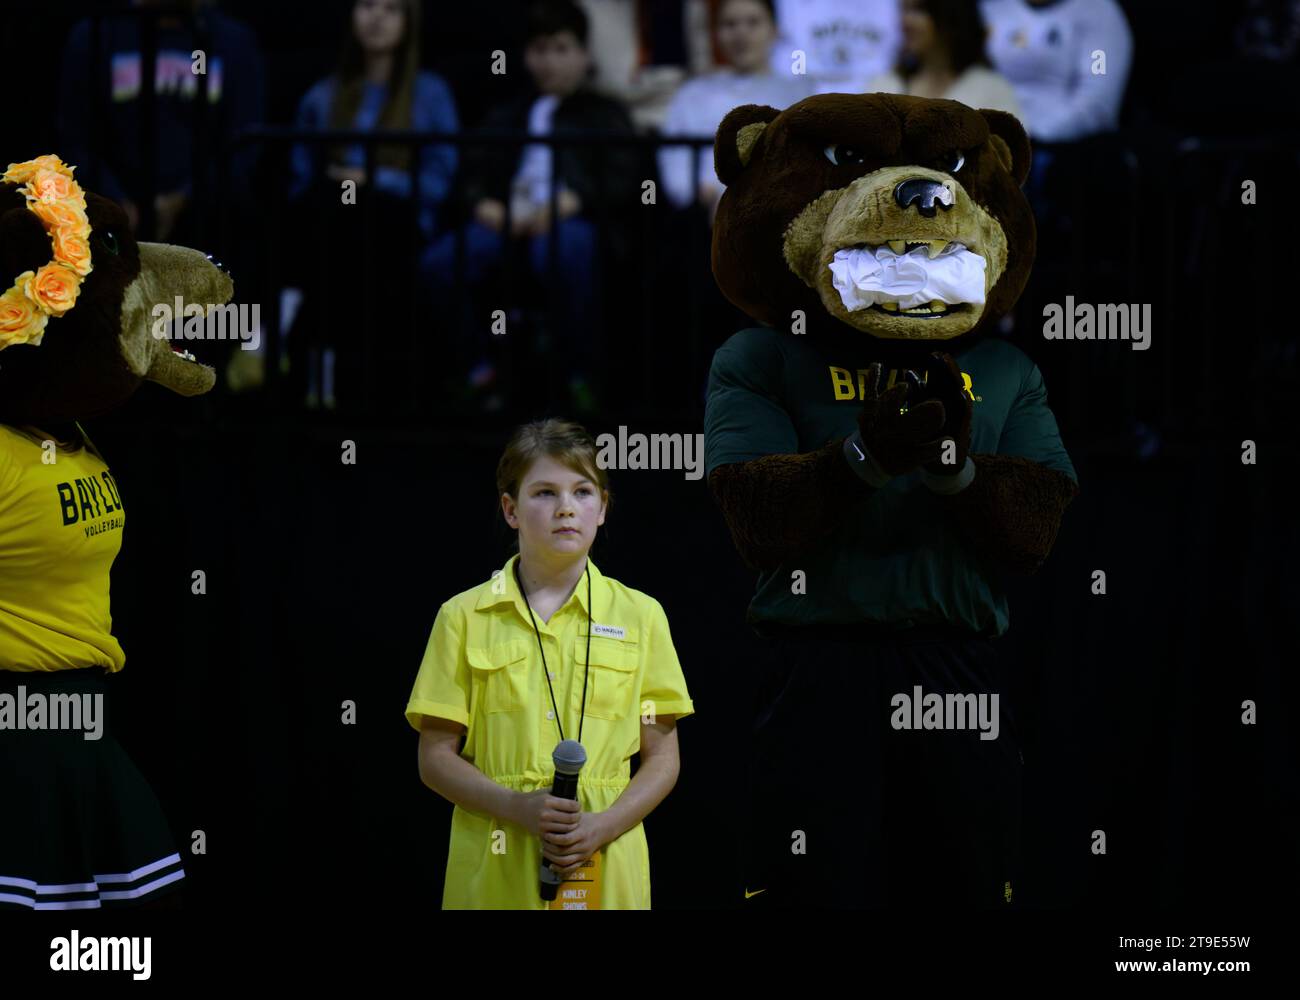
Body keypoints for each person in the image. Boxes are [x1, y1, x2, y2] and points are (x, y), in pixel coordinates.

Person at [405, 419, 694, 909]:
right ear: (510, 509)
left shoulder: (642, 616)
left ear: (602, 508)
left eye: (582, 491)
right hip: (494, 870)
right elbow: (434, 758)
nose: (565, 508)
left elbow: (663, 758)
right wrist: (516, 807)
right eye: (544, 492)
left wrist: (600, 825)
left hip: (606, 862)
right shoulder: (462, 617)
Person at [421, 0, 641, 417]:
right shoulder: (507, 113)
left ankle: (579, 377)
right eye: (540, 49)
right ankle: (478, 373)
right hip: (505, 221)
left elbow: (622, 178)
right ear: (526, 55)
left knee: (561, 252)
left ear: (584, 55)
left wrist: (571, 202)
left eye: (561, 49)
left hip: (573, 221)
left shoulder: (606, 114)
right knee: (440, 263)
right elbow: (471, 172)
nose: (550, 61)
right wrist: (482, 203)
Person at [287, 0, 460, 412]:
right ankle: (316, 361)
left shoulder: (431, 93)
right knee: (335, 209)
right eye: (367, 5)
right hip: (333, 223)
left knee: (365, 209)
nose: (377, 17)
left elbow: (440, 181)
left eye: (391, 8)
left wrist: (372, 180)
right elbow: (298, 178)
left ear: (409, 22)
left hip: (400, 223)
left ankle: (290, 329)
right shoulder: (324, 94)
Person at [659, 0, 811, 221]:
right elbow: (675, 162)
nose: (741, 34)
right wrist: (698, 194)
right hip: (703, 223)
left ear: (775, 30)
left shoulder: (799, 93)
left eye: (753, 22)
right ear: (716, 34)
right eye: (729, 24)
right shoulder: (691, 95)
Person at [978, 0, 1132, 143]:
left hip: (1061, 149)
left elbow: (1096, 105)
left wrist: (1030, 136)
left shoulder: (1099, 13)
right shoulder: (991, 7)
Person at [868, 0, 1021, 119]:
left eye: (919, 9)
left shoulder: (992, 89)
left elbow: (1007, 155)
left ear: (951, 14)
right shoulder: (886, 84)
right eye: (904, 10)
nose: (905, 21)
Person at [766, 0, 901, 94]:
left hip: (875, 101)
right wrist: (801, 82)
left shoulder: (887, 5)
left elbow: (894, 53)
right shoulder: (791, 6)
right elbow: (788, 56)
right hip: (806, 102)